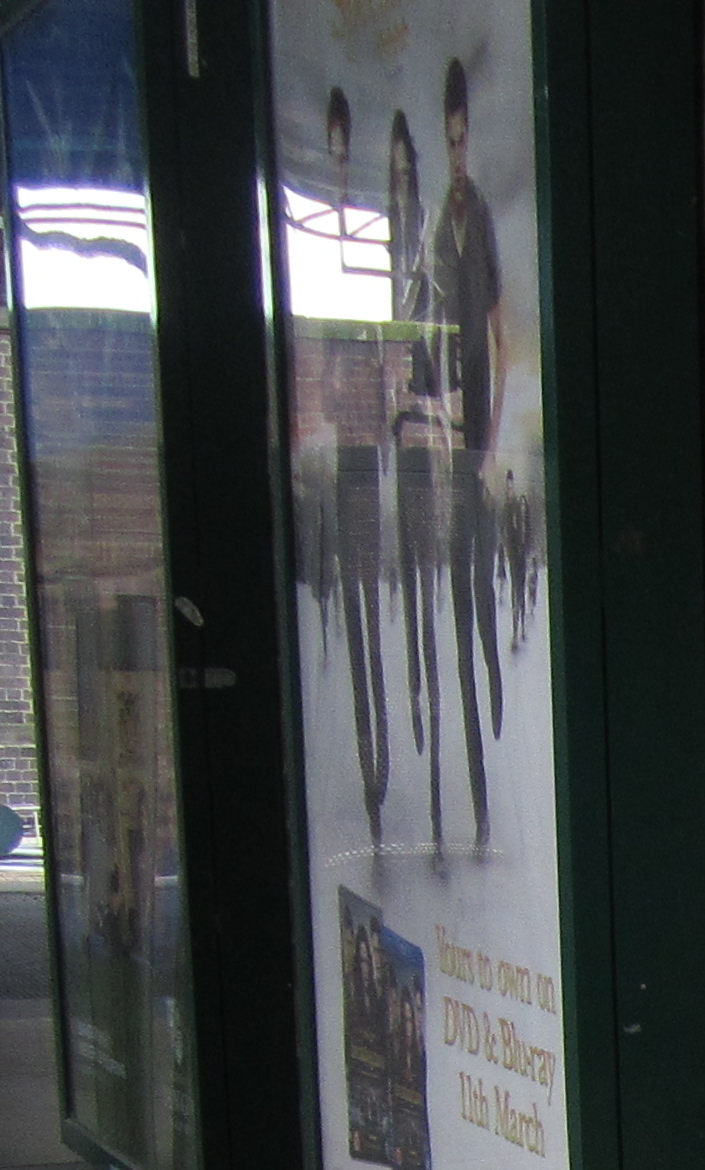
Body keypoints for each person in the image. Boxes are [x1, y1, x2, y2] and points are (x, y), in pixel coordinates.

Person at [428, 58, 505, 843]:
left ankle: (487, 784)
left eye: (461, 140)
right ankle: (460, 793)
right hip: (440, 450)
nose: (456, 154)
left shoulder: (476, 216)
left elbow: (499, 338)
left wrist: (485, 453)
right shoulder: (430, 230)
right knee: (447, 611)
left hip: (472, 450)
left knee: (477, 604)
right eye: (447, 140)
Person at [318, 87, 389, 826]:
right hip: (350, 479)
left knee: (381, 638)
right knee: (362, 634)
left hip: (382, 477)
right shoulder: (315, 253)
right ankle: (373, 774)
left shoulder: (385, 250)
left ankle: (382, 772)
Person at [384, 109, 447, 841]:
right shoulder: (403, 289)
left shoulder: (430, 285)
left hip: (444, 486)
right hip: (413, 483)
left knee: (446, 653)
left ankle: (439, 801)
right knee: (419, 658)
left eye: (409, 177)